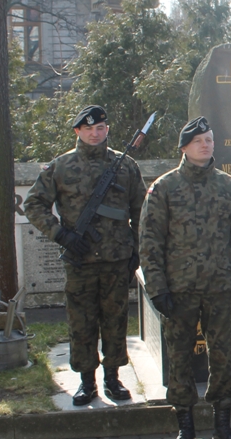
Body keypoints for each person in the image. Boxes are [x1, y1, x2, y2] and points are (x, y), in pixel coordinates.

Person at [139, 116, 231, 439]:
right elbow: (149, 243)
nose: (205, 145)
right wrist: (157, 288)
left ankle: (223, 427)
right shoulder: (164, 188)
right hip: (179, 290)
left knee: (222, 356)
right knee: (179, 357)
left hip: (219, 288)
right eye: (198, 141)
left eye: (209, 139)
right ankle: (185, 428)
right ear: (184, 148)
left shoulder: (230, 187)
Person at [24, 105, 145, 407]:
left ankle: (113, 378)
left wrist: (137, 250)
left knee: (116, 320)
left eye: (100, 128)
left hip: (117, 259)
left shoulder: (125, 166)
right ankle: (87, 381)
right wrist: (60, 234)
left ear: (107, 130)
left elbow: (142, 211)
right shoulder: (61, 166)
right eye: (88, 128)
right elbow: (34, 204)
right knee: (81, 322)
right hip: (81, 261)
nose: (95, 133)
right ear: (78, 131)